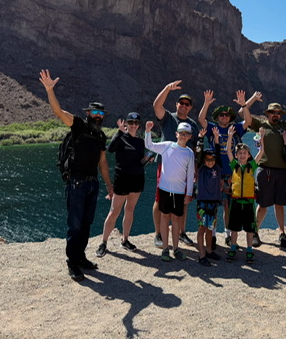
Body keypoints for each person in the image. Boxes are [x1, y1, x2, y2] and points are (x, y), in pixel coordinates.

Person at [39, 69, 113, 282]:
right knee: (75, 225)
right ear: (88, 113)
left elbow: (103, 163)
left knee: (87, 223)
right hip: (76, 183)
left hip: (92, 184)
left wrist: (109, 185)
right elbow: (59, 112)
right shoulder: (79, 125)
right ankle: (72, 262)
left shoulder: (100, 135)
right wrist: (50, 90)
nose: (98, 117)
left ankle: (80, 257)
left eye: (101, 114)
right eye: (95, 113)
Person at [243, 95, 286, 248]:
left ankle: (282, 233)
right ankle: (255, 232)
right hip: (264, 169)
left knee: (279, 204)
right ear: (267, 113)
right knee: (263, 204)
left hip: (282, 170)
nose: (276, 115)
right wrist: (246, 104)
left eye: (278, 113)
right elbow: (246, 118)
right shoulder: (261, 124)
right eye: (273, 112)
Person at [198, 89, 261, 246]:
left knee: (228, 206)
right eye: (221, 115)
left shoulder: (236, 129)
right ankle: (212, 235)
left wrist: (244, 105)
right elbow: (201, 119)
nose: (224, 117)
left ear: (230, 117)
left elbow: (248, 121)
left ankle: (227, 234)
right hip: (215, 174)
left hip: (233, 175)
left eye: (227, 115)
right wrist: (206, 103)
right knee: (213, 206)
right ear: (218, 117)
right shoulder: (213, 128)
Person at [152, 81, 200, 248]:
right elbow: (156, 105)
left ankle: (181, 232)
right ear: (177, 104)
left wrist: (194, 171)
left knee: (183, 201)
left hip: (183, 169)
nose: (184, 106)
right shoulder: (168, 118)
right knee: (159, 200)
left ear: (190, 107)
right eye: (181, 103)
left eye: (187, 104)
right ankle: (158, 233)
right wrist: (167, 88)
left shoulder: (192, 125)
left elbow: (193, 149)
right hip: (164, 166)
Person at [96, 112, 151, 257]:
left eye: (136, 123)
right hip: (122, 179)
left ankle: (125, 240)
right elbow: (111, 149)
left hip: (137, 179)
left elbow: (138, 161)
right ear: (126, 124)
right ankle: (104, 243)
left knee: (130, 209)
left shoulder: (140, 142)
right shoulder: (121, 137)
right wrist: (119, 132)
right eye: (130, 123)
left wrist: (146, 159)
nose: (133, 125)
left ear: (138, 125)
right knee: (114, 212)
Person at [144, 121, 195, 262]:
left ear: (190, 136)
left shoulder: (190, 153)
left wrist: (189, 193)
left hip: (179, 192)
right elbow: (149, 145)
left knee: (177, 219)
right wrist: (148, 132)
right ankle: (166, 248)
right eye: (181, 133)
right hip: (165, 190)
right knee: (165, 218)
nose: (183, 136)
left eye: (186, 134)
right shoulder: (167, 146)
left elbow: (190, 175)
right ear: (176, 134)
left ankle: (176, 249)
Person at [225, 126, 264, 263]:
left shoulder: (252, 165)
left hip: (248, 202)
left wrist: (261, 138)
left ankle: (249, 250)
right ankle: (233, 248)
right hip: (235, 201)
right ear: (237, 156)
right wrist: (230, 136)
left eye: (245, 153)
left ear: (248, 155)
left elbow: (261, 151)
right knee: (234, 228)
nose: (242, 155)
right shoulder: (234, 165)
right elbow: (227, 151)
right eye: (240, 153)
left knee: (249, 229)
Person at [194, 127, 223, 266]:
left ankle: (210, 250)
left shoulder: (217, 168)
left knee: (211, 228)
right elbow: (198, 154)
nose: (210, 161)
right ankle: (201, 254)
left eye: (212, 159)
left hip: (214, 203)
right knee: (202, 228)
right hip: (203, 203)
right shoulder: (201, 168)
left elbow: (218, 152)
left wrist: (217, 140)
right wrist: (200, 139)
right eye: (207, 159)